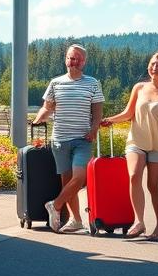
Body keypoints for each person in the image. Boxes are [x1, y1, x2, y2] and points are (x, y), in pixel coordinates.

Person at [102, 52, 158, 241]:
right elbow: (128, 113)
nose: (154, 68)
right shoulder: (139, 88)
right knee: (134, 175)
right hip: (136, 141)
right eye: (152, 64)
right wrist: (109, 120)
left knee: (153, 186)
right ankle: (139, 221)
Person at [32, 44, 104, 234]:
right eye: (71, 58)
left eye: (78, 59)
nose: (74, 62)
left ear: (84, 62)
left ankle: (54, 205)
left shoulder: (92, 83)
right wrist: (39, 118)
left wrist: (94, 128)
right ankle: (76, 220)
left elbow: (97, 113)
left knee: (79, 178)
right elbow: (47, 107)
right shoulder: (56, 83)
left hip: (83, 139)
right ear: (66, 60)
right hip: (60, 140)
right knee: (67, 183)